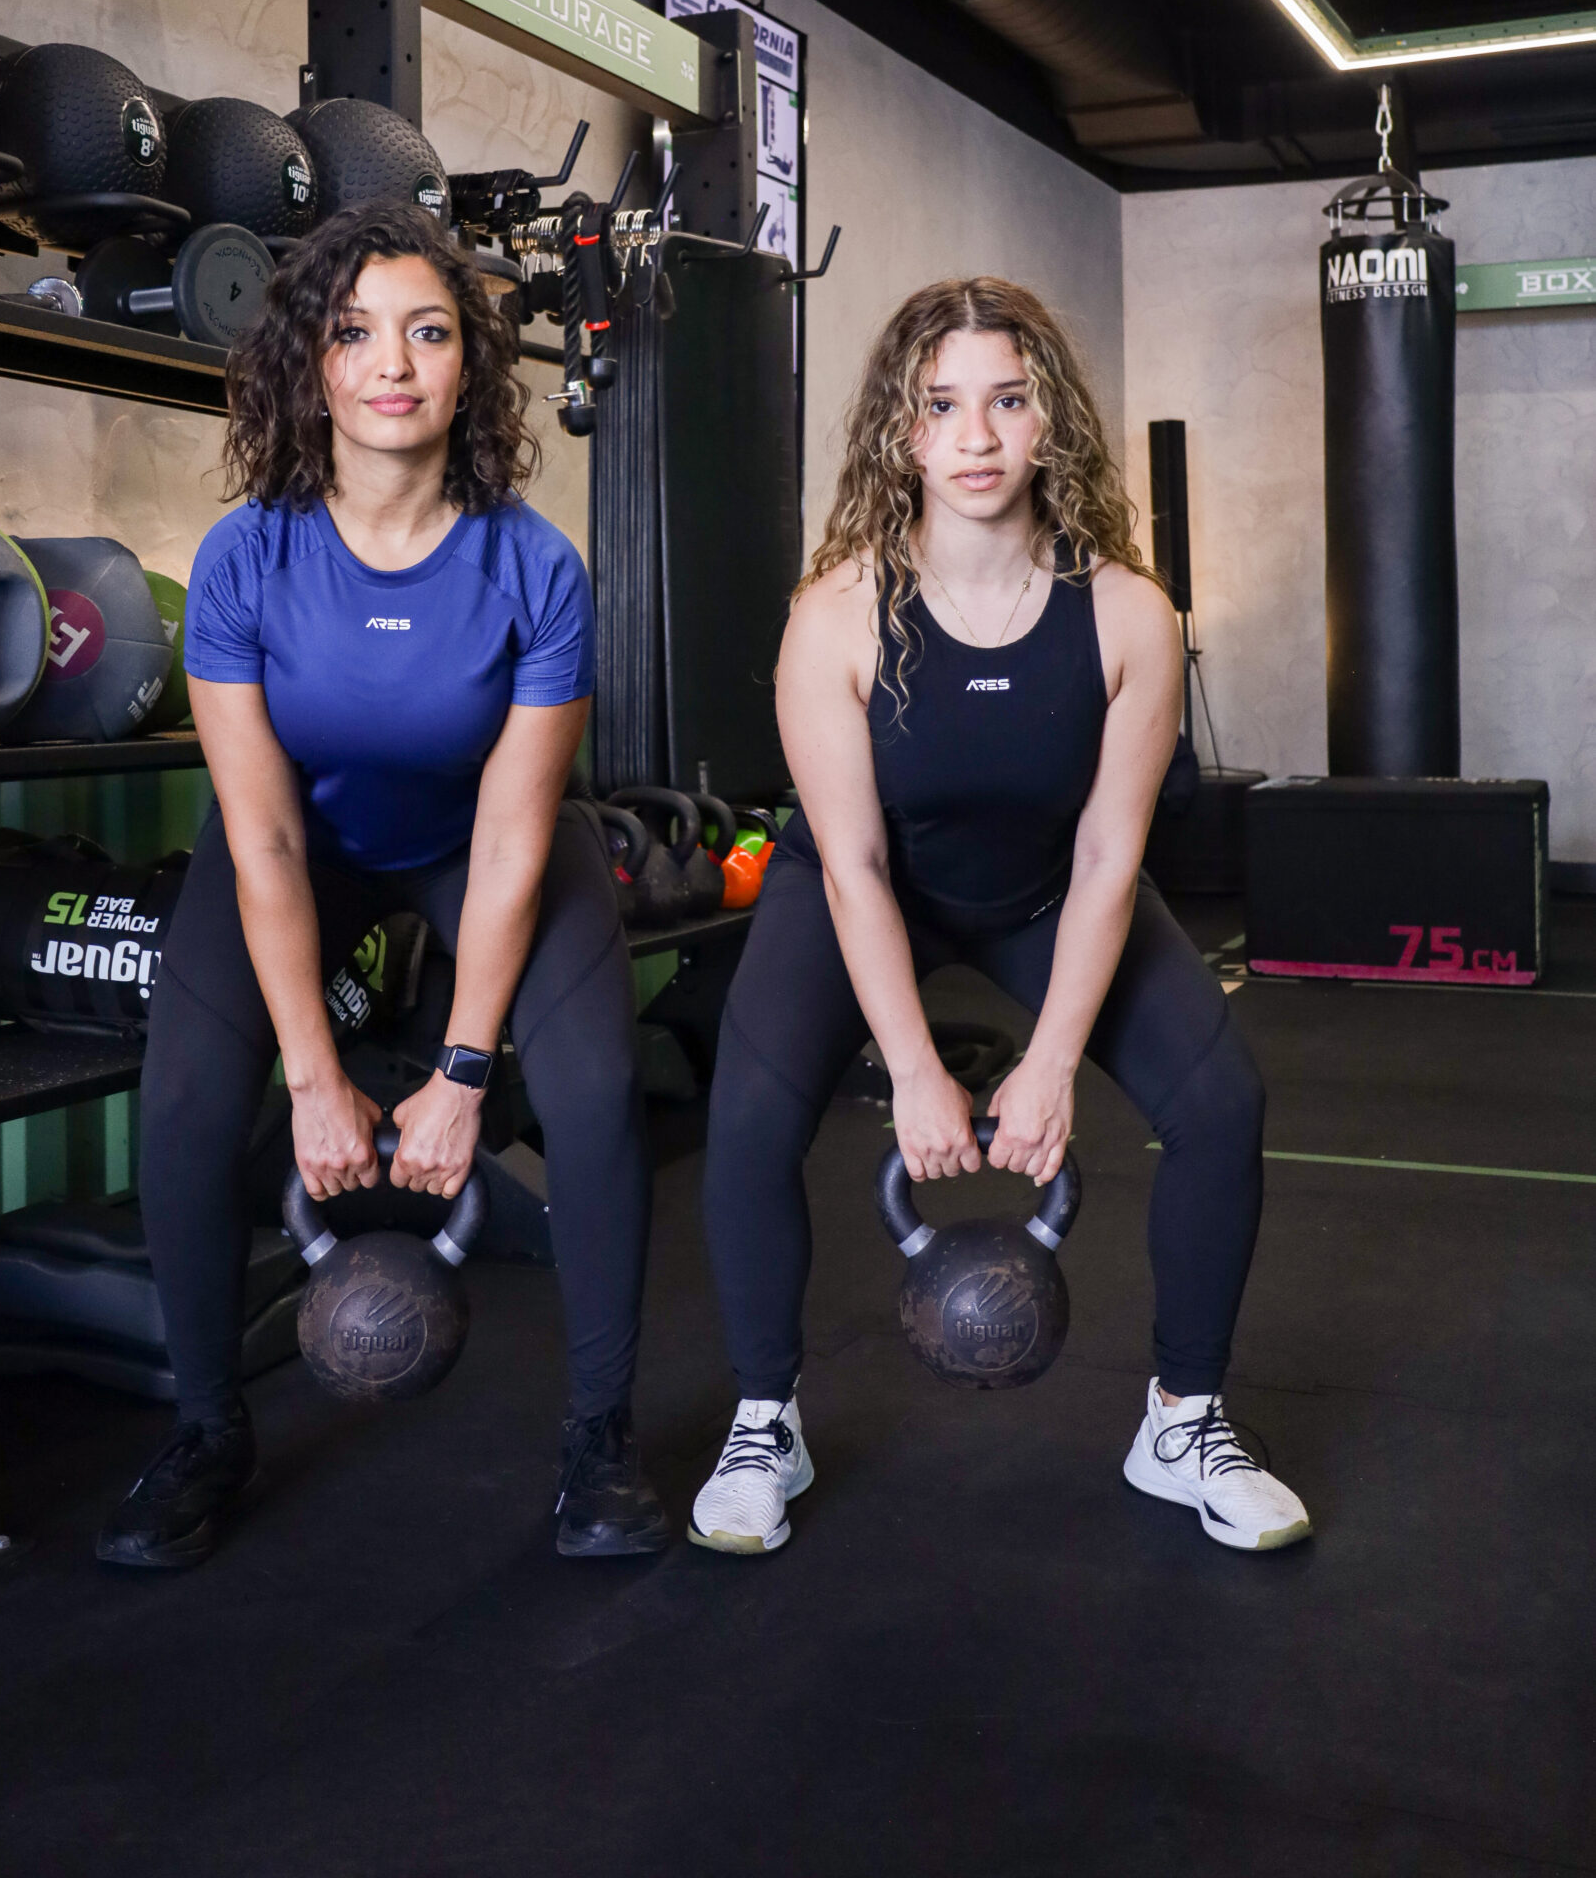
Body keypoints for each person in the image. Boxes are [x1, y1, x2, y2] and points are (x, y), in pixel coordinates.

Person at [689, 277, 1309, 1558]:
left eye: (1007, 401)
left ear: (1049, 421)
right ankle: (763, 1420)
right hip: (864, 887)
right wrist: (914, 1067)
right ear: (900, 430)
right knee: (747, 1118)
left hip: (1048, 889)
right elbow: (855, 862)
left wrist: (1051, 1062)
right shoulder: (837, 614)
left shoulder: (1128, 613)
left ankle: (1184, 1420)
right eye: (940, 405)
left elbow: (1109, 852)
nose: (974, 436)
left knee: (1221, 1102)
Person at [98, 201, 668, 1569]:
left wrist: (464, 1074)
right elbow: (263, 838)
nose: (393, 365)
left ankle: (601, 1437)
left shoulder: (534, 565)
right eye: (355, 334)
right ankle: (206, 1430)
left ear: (470, 363)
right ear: (311, 363)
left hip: (486, 841)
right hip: (305, 844)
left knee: (595, 1092)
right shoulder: (245, 558)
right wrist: (312, 1076)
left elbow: (516, 834)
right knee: (184, 1101)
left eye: (428, 332)